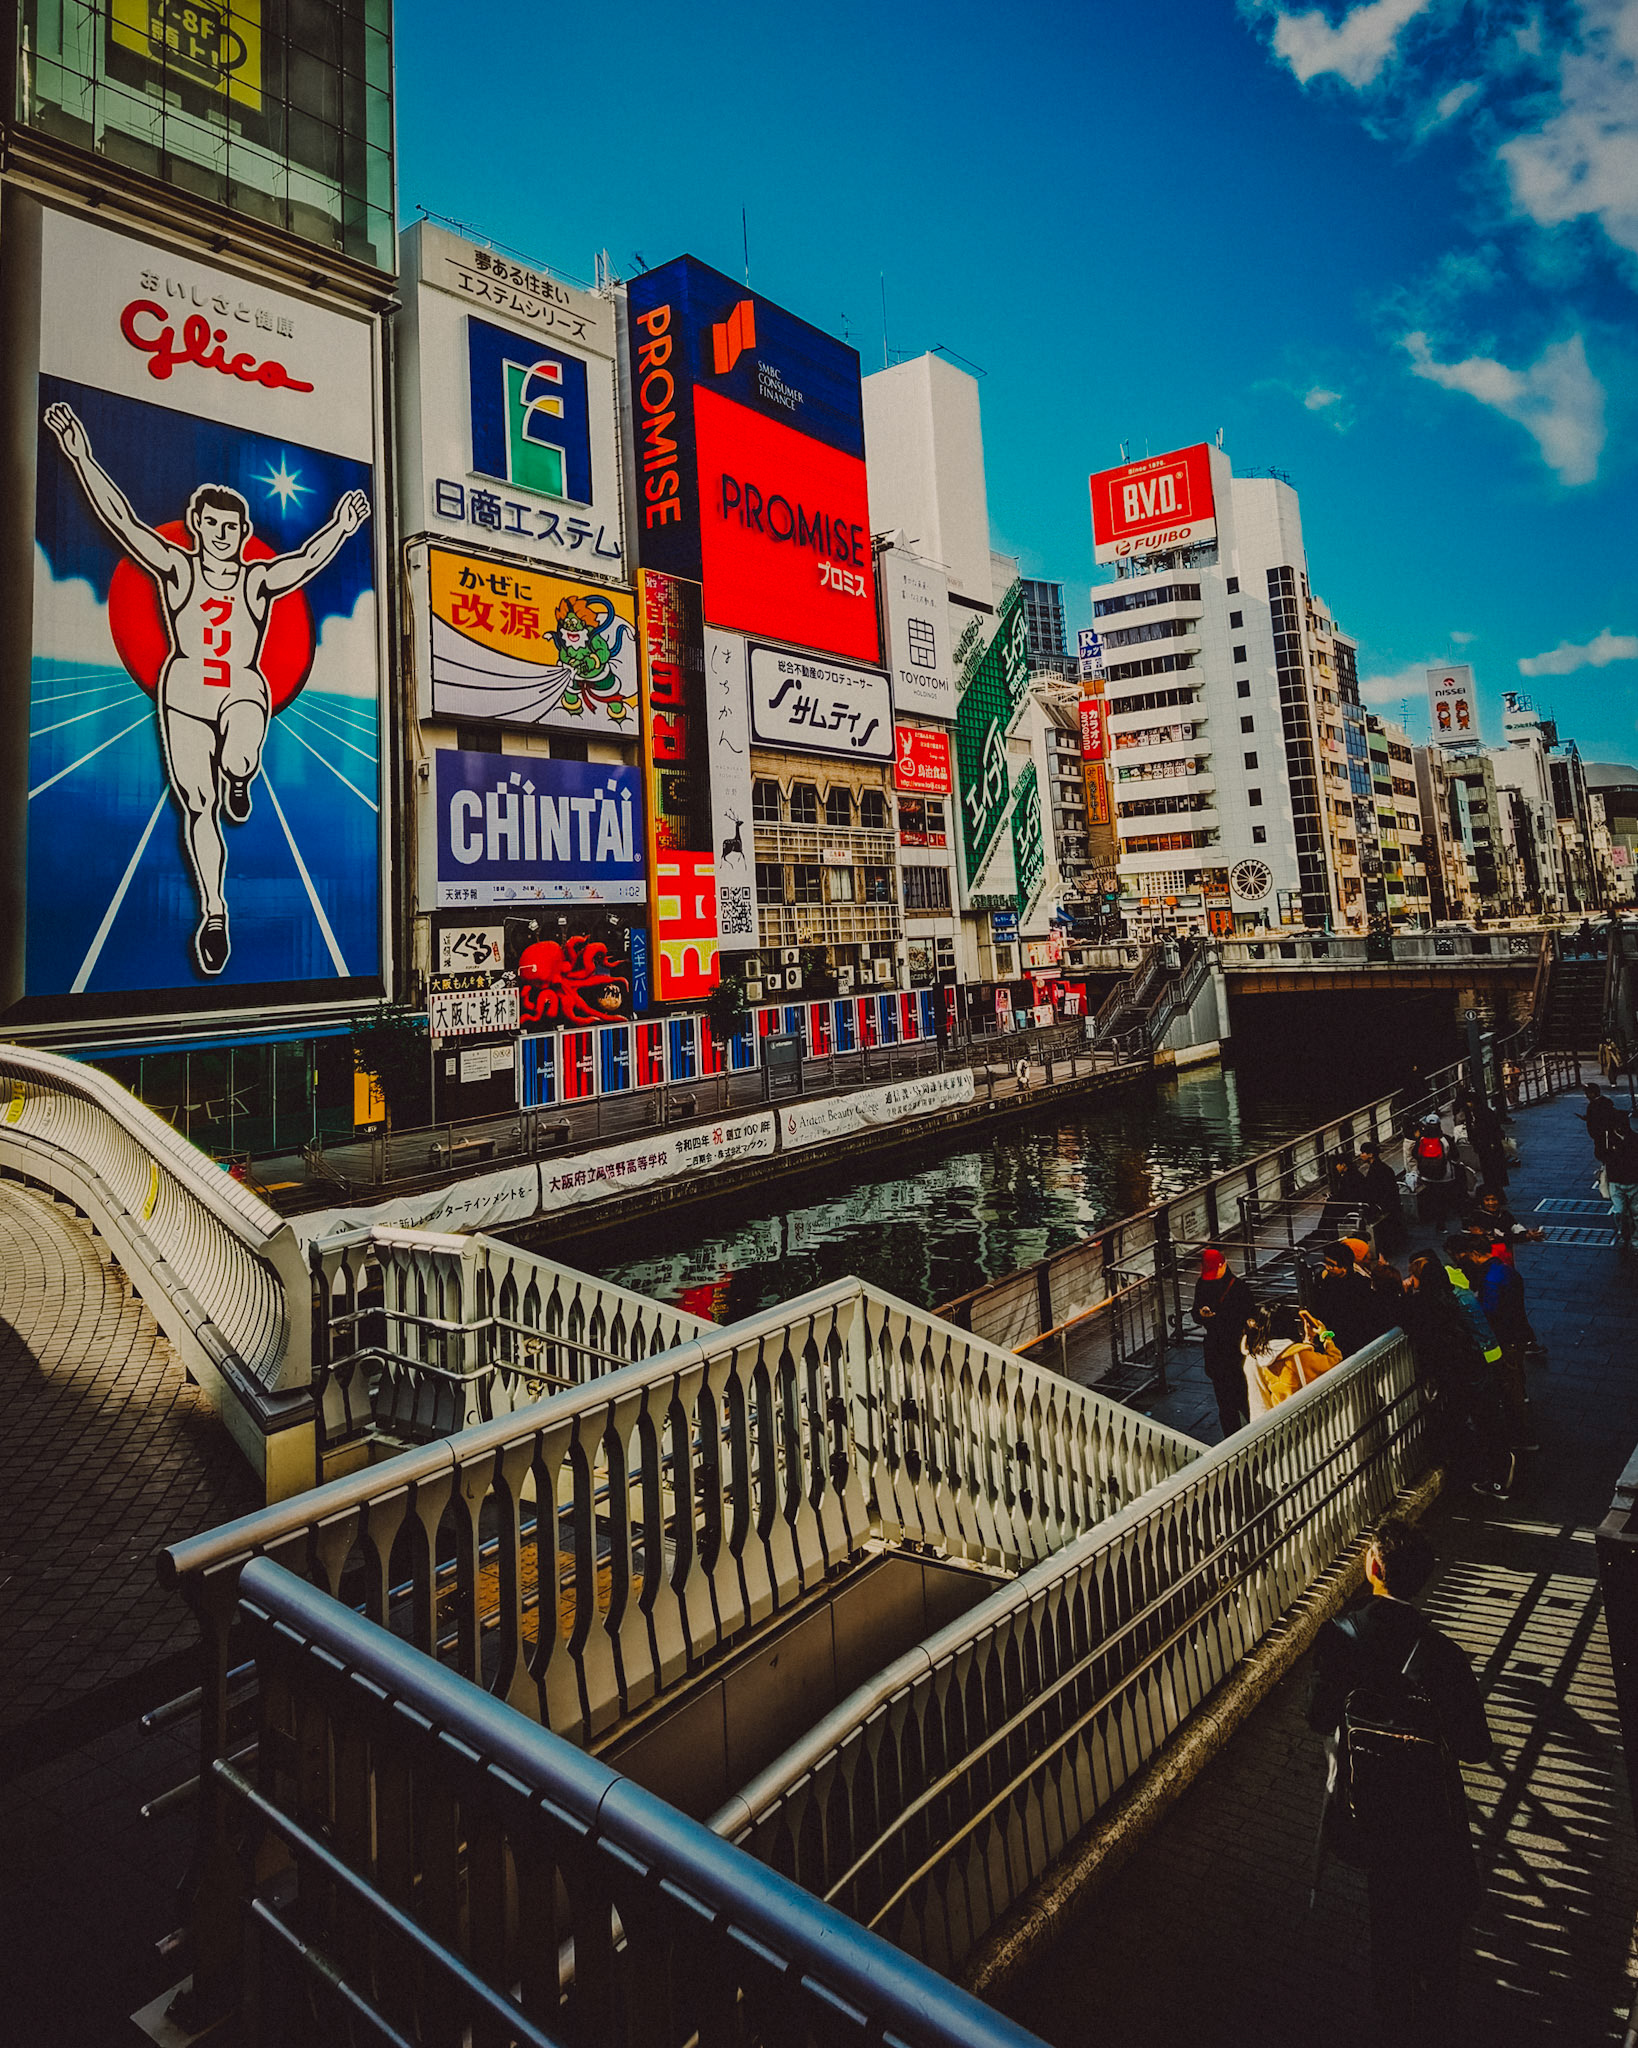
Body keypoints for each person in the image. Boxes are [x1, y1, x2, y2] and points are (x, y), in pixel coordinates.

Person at [44, 400, 371, 978]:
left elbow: (305, 561)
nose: (222, 535)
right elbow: (122, 521)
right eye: (212, 526)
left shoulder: (257, 579)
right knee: (197, 803)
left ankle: (240, 777)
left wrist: (343, 527)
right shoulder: (177, 568)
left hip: (241, 685)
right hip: (186, 688)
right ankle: (215, 910)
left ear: (244, 533)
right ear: (198, 527)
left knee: (240, 754)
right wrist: (80, 455)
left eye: (231, 528)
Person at [1308, 1517, 1493, 2042]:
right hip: (1434, 1825)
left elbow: (1320, 1718)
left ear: (1372, 1568)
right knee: (1440, 1944)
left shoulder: (1338, 1638)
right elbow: (1476, 1750)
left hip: (1372, 1818)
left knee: (1387, 1929)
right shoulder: (1446, 1657)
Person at [1402, 1253, 1514, 1498]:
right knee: (1487, 1420)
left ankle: (1482, 1471)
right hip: (1475, 1368)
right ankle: (1498, 1471)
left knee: (1459, 1419)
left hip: (1452, 1373)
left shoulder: (1424, 1306)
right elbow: (1483, 1333)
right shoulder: (1460, 1297)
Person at [1192, 1247, 1255, 1437]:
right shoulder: (1203, 1284)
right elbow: (1196, 1312)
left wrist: (1211, 1318)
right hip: (1222, 1351)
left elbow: (1247, 1317)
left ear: (1223, 1265)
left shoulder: (1238, 1287)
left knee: (1240, 1398)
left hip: (1231, 1350)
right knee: (1230, 1402)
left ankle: (1243, 1435)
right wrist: (1201, 1314)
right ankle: (1239, 1437)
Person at [1312, 1240, 1385, 1356]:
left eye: (1331, 1265)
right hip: (1334, 1336)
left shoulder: (1360, 1285)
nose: (1327, 1267)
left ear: (1344, 1267)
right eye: (1325, 1262)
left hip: (1355, 1339)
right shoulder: (1324, 1281)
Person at [1344, 1140, 1406, 1254]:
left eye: (1363, 1152)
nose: (1361, 1155)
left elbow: (1372, 1191)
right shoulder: (1382, 1167)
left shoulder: (1376, 1170)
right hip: (1391, 1202)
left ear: (1370, 1155)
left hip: (1384, 1204)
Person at [1407, 1112, 1464, 1230]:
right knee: (1443, 1197)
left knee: (1432, 1197)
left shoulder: (1421, 1140)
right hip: (1445, 1175)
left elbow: (1414, 1154)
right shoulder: (1445, 1139)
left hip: (1426, 1175)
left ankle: (1432, 1218)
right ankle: (1442, 1222)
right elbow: (1455, 1155)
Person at [1600, 1109, 1638, 1252]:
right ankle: (1625, 1234)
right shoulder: (1607, 1140)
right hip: (1616, 1181)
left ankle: (1635, 1241)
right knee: (1620, 1212)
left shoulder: (1634, 1139)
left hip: (1633, 1181)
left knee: (1636, 1214)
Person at [1582, 1082, 1623, 1154]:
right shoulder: (1605, 1101)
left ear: (1593, 1093)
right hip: (1602, 1132)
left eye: (1587, 1093)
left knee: (1602, 1150)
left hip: (1601, 1132)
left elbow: (1603, 1117)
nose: (1586, 1096)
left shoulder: (1594, 1105)